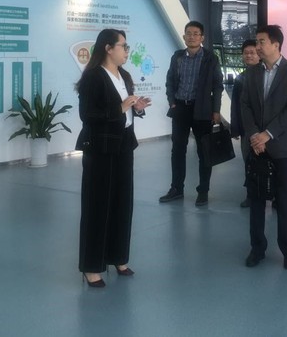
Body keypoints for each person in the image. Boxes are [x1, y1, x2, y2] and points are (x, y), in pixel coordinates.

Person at [75, 29, 151, 288]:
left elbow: (126, 110)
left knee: (122, 203)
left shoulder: (124, 75)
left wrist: (136, 108)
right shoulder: (93, 77)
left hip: (124, 145)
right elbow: (88, 115)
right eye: (123, 46)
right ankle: (92, 266)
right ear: (108, 48)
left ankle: (118, 257)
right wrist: (120, 107)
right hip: (100, 148)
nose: (127, 51)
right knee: (97, 206)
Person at [241, 25, 287, 270]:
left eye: (262, 41)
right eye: (257, 41)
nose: (257, 46)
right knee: (256, 199)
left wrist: (267, 134)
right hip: (256, 146)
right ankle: (257, 248)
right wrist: (254, 136)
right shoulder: (251, 73)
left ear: (276, 44)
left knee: (284, 198)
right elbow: (245, 105)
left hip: (282, 145)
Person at [159, 20, 224, 206]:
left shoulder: (210, 58)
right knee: (177, 150)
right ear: (184, 36)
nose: (192, 37)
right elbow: (170, 81)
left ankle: (203, 191)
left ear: (202, 37)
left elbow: (217, 86)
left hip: (202, 109)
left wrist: (216, 110)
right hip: (180, 108)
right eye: (189, 33)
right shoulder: (177, 56)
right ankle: (176, 189)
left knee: (204, 151)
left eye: (196, 34)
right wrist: (172, 102)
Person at [231, 39, 260, 208]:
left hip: (264, 129)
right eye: (246, 53)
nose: (249, 55)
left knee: (269, 162)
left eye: (252, 52)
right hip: (246, 129)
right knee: (248, 162)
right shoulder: (240, 78)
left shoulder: (266, 75)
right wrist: (235, 128)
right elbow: (235, 104)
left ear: (259, 54)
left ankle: (274, 195)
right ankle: (251, 194)